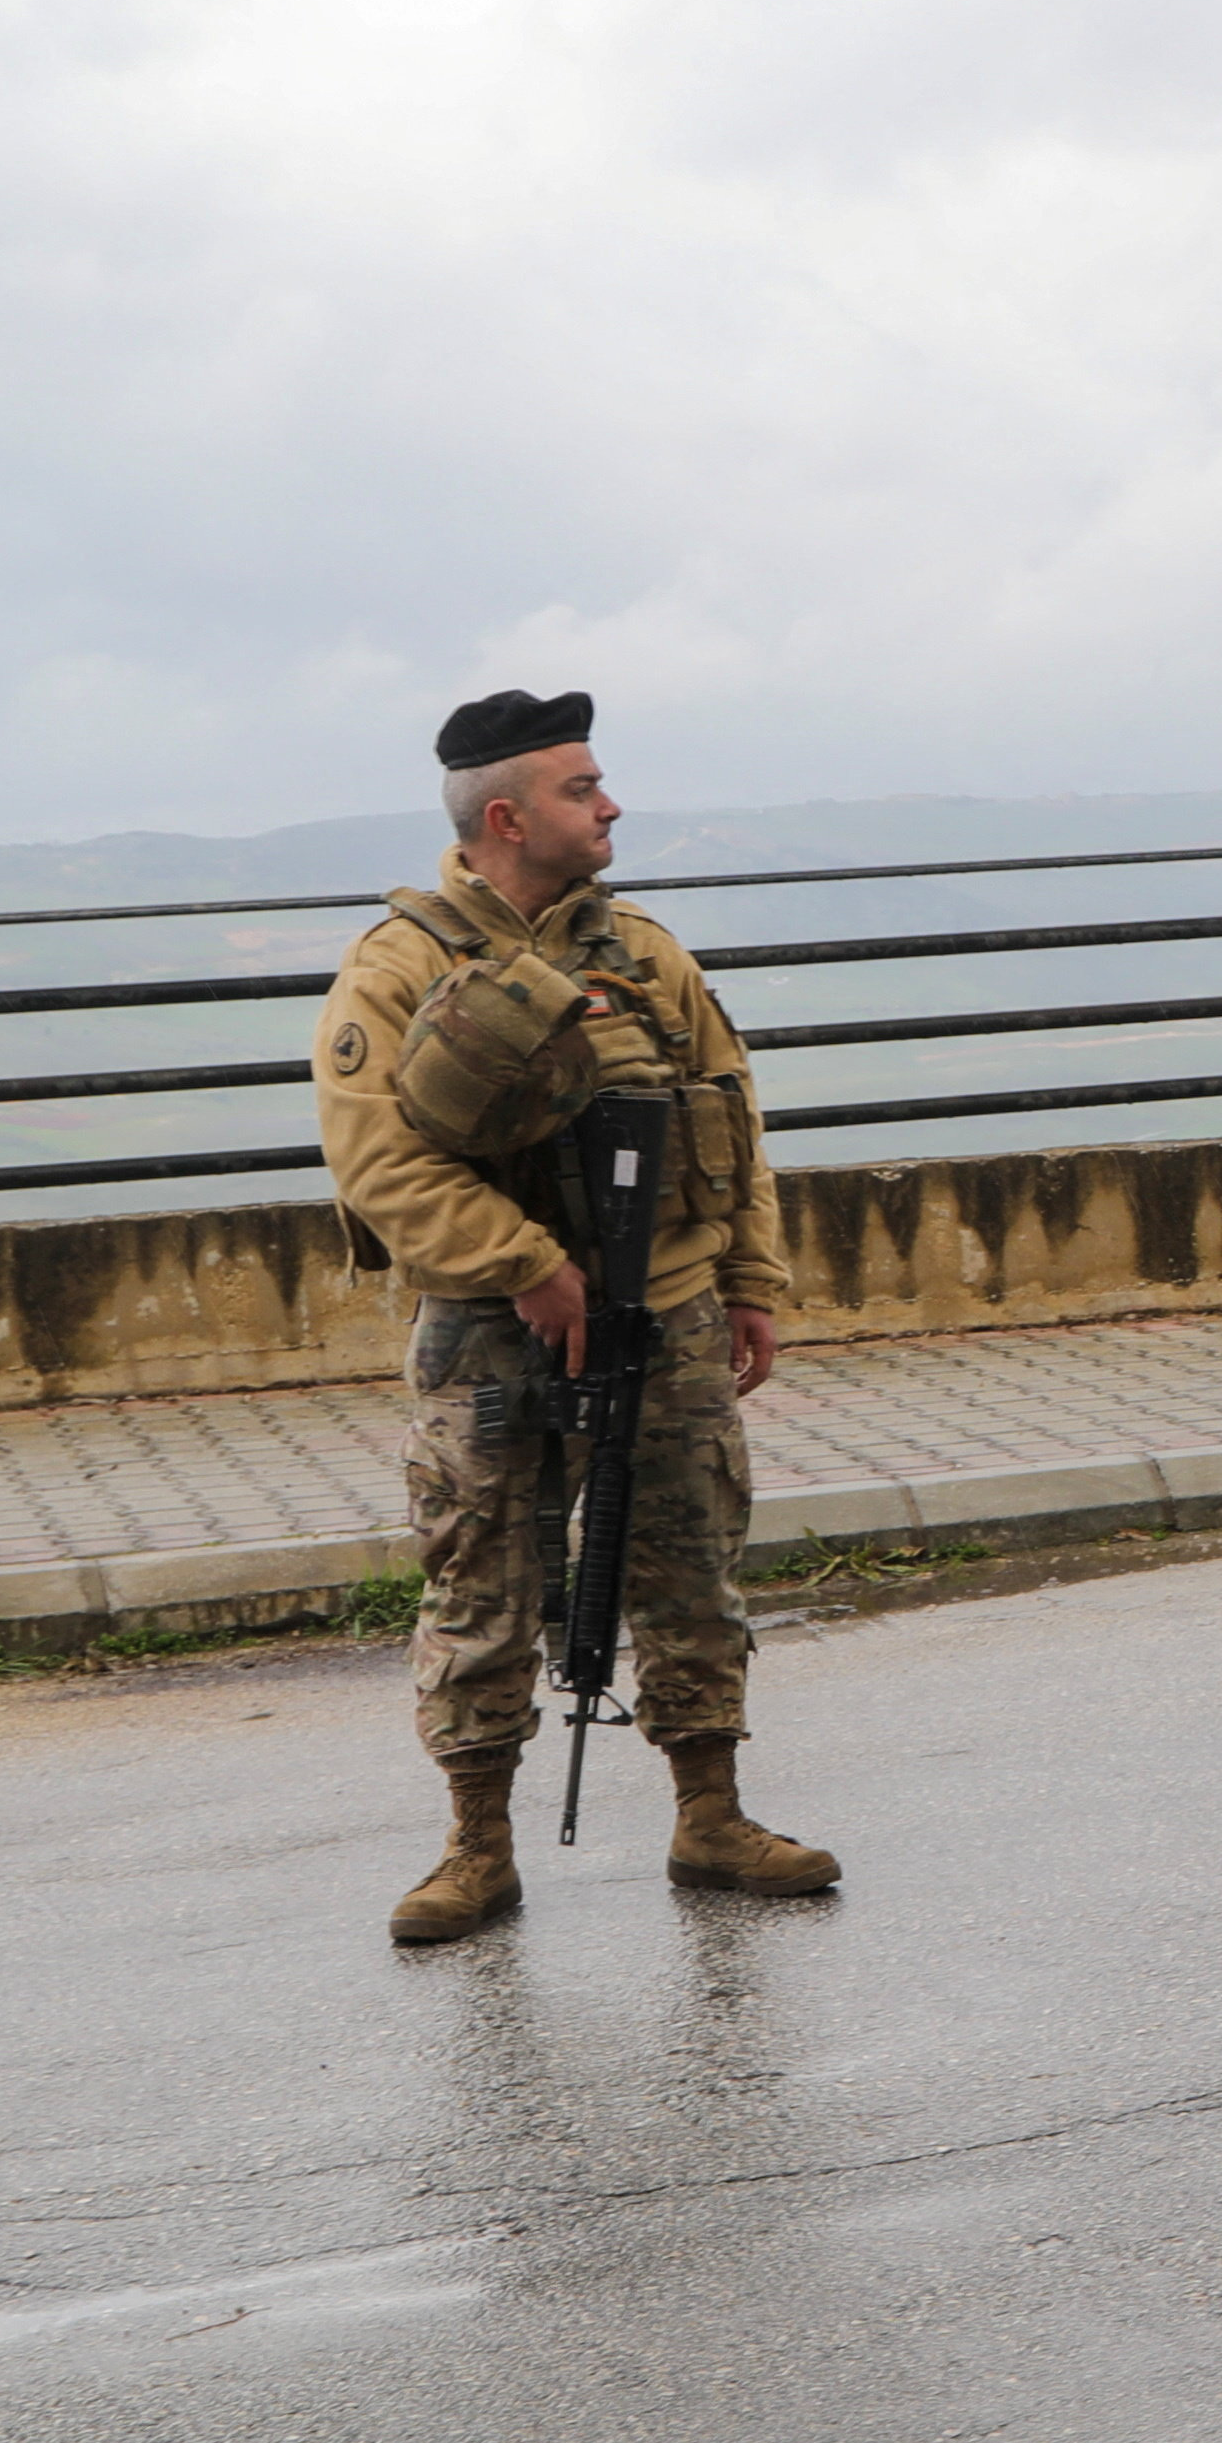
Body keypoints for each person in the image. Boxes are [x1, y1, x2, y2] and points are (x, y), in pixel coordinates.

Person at [313, 692, 833, 1944]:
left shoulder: (648, 958)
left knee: (687, 1565)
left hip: (669, 1313)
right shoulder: (400, 970)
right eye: (581, 790)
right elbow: (376, 1164)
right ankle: (475, 1847)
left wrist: (749, 1281)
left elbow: (732, 1117)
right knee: (483, 1576)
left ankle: (711, 1815)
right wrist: (528, 1264)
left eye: (601, 785)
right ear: (507, 816)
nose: (610, 807)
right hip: (495, 1331)